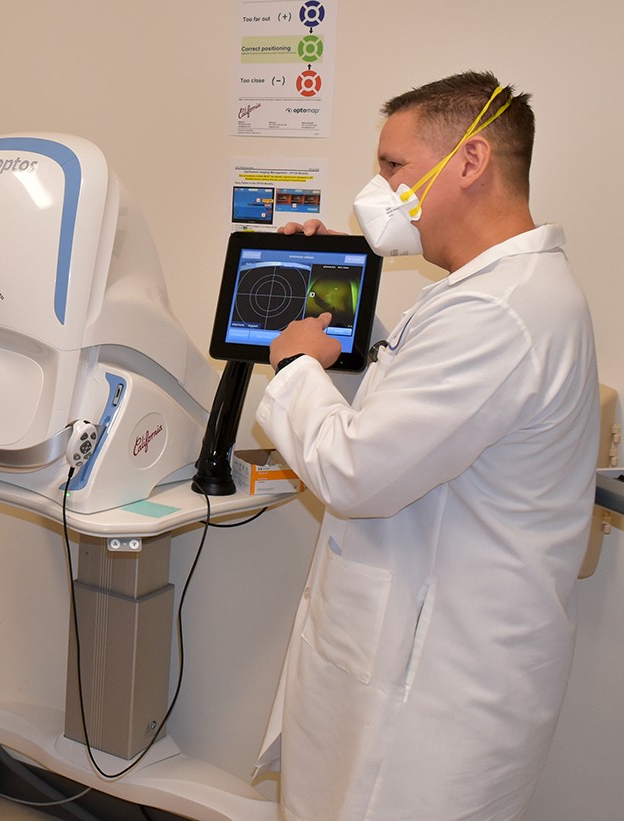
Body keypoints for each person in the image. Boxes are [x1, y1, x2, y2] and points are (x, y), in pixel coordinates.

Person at [253, 71, 599, 820]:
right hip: (405, 661)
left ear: (469, 163)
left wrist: (297, 366)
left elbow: (355, 470)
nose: (375, 189)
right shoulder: (483, 296)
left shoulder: (501, 314)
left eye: (392, 166)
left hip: (434, 693)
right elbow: (409, 408)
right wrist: (333, 304)